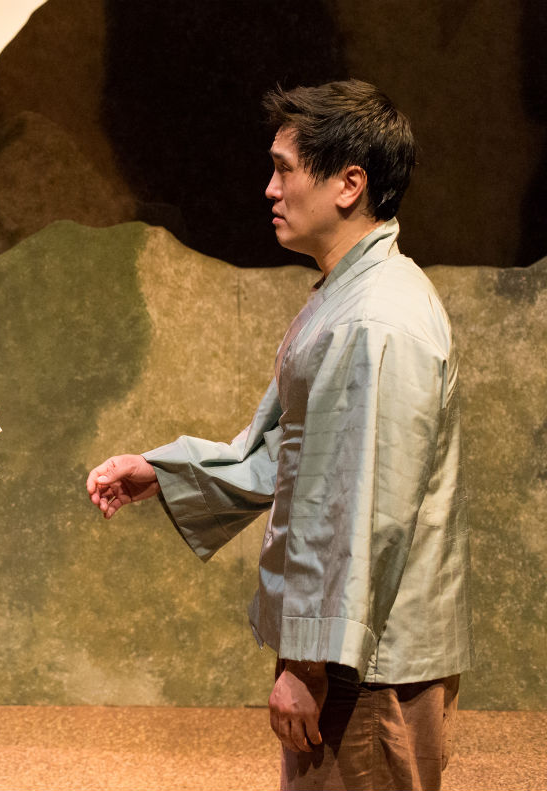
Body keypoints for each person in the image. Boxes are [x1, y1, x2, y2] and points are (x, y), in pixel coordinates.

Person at [86, 80, 472, 791]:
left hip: (368, 665)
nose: (270, 188)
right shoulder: (350, 296)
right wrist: (163, 472)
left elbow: (360, 510)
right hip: (354, 652)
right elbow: (292, 451)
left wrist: (308, 663)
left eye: (284, 169)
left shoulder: (374, 320)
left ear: (349, 184)